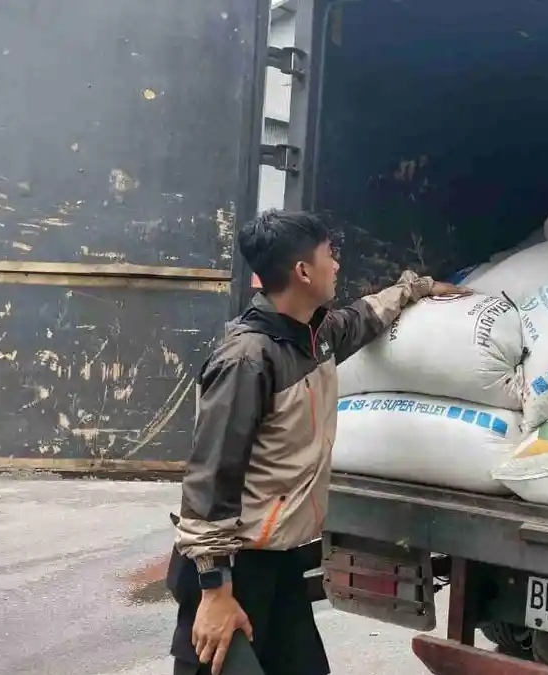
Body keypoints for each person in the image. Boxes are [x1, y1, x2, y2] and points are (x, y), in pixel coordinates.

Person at [166, 210, 466, 675]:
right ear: (303, 271)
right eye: (330, 255)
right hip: (234, 569)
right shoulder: (249, 359)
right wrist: (214, 591)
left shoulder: (314, 337)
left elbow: (366, 315)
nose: (338, 266)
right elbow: (210, 480)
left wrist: (418, 288)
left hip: (279, 562)